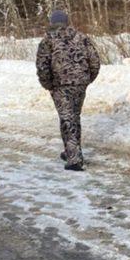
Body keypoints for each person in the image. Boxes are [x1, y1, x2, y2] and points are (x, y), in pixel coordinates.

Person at [36, 10, 100, 171]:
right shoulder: (82, 37)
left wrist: (48, 84)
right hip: (80, 84)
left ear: (52, 22)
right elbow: (95, 61)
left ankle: (74, 159)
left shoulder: (48, 40)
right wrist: (86, 79)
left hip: (61, 85)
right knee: (74, 117)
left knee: (67, 119)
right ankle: (72, 150)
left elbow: (42, 66)